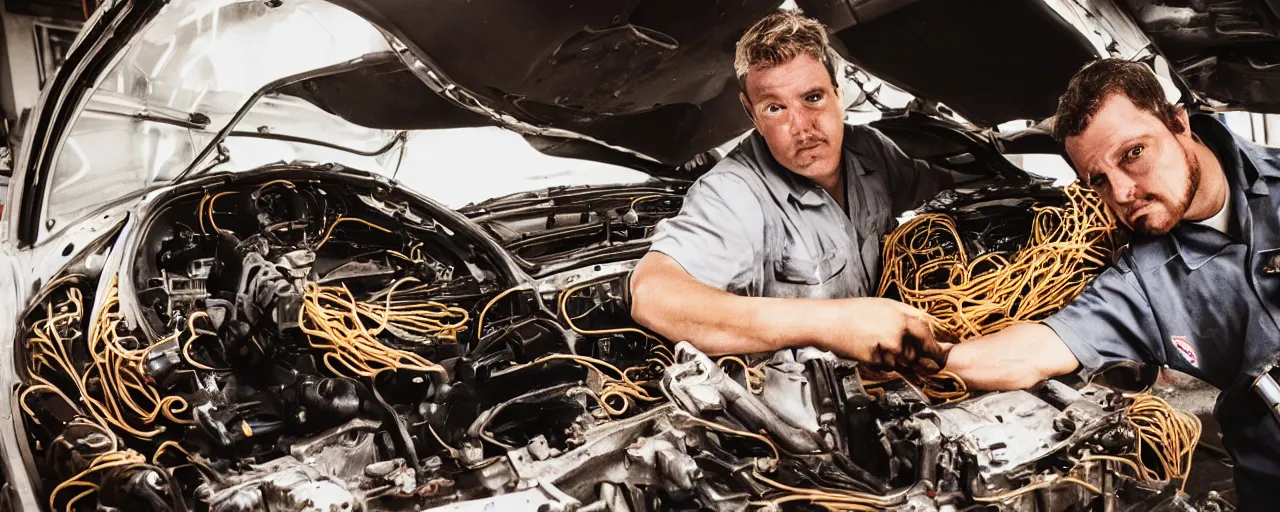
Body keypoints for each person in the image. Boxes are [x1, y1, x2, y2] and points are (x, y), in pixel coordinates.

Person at [941, 58, 1280, 509]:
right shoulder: (1142, 283)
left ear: (1178, 123)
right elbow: (1035, 349)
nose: (1121, 192)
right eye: (1099, 180)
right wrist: (904, 347)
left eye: (1133, 153)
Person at [628, 11, 951, 372]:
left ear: (838, 93)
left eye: (813, 97)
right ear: (752, 114)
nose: (801, 128)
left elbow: (941, 193)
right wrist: (835, 323)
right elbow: (652, 295)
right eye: (775, 108)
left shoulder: (870, 150)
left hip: (900, 369)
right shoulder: (733, 193)